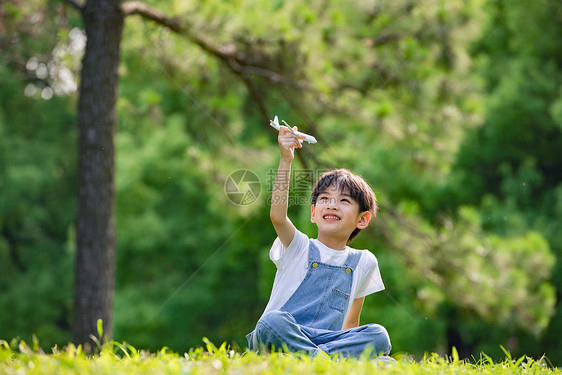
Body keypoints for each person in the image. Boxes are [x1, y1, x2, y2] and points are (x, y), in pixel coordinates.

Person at [246, 124, 392, 359]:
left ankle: (308, 358)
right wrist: (286, 160)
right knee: (271, 322)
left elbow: (351, 325)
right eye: (325, 199)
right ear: (314, 213)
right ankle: (328, 362)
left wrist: (353, 346)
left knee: (379, 335)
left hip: (328, 340)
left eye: (344, 201)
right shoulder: (299, 247)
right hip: (284, 334)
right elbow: (277, 216)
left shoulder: (364, 261)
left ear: (363, 219)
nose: (332, 205)